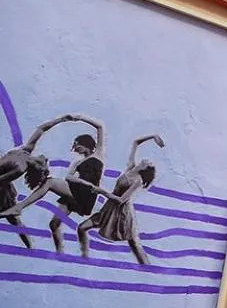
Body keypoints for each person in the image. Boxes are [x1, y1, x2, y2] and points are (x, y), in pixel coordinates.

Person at [0, 112, 82, 249]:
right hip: (4, 188)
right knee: (14, 220)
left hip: (2, 190)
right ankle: (30, 247)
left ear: (38, 168)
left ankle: (30, 248)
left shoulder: (20, 168)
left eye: (45, 163)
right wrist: (61, 119)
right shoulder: (26, 151)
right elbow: (41, 129)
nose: (46, 159)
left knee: (14, 219)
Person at [78, 134, 163, 265]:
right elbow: (135, 141)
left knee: (135, 244)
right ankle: (84, 257)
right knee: (82, 228)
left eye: (150, 163)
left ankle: (149, 268)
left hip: (123, 214)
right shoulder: (131, 168)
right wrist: (154, 137)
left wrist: (102, 192)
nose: (148, 160)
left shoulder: (138, 180)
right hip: (109, 209)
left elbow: (121, 200)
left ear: (146, 169)